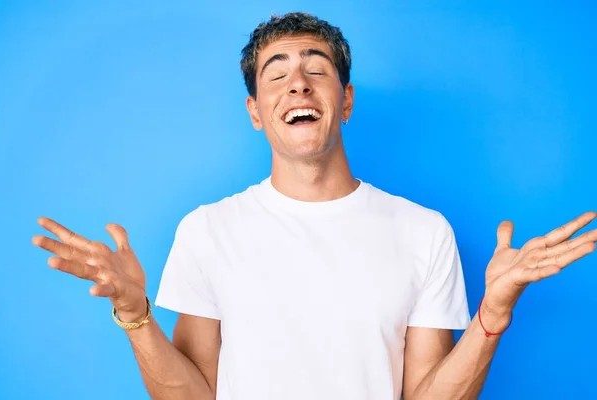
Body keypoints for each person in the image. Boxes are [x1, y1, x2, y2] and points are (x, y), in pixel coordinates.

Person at [32, 12, 596, 400]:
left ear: (344, 99)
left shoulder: (424, 232)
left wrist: (491, 317)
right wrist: (136, 315)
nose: (297, 83)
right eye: (276, 73)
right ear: (256, 111)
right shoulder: (208, 230)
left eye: (316, 69)